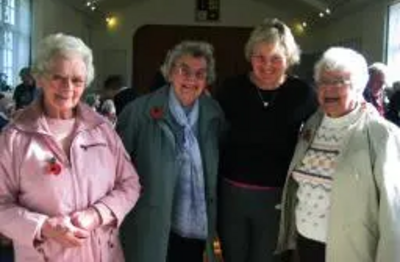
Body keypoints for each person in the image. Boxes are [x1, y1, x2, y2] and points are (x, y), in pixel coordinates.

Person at [0, 33, 141, 262]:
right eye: (58, 77)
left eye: (77, 80)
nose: (68, 88)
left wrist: (97, 214)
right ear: (41, 77)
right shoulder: (14, 137)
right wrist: (43, 226)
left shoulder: (101, 129)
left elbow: (130, 184)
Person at [277, 47, 400, 262]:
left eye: (339, 82)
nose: (329, 88)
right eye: (323, 82)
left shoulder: (382, 135)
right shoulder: (313, 124)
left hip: (350, 251)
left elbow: (393, 213)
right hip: (305, 243)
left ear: (359, 86)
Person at [216, 18, 317, 262]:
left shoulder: (302, 93)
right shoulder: (231, 89)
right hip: (232, 194)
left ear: (288, 59)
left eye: (275, 58)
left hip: (277, 196)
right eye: (259, 57)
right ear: (250, 56)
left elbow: (324, 127)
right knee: (233, 257)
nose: (267, 65)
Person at [117, 41, 224, 262]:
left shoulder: (214, 114)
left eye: (200, 73)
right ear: (170, 72)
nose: (191, 79)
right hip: (151, 224)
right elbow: (115, 171)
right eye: (184, 70)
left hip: (195, 225)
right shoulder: (139, 112)